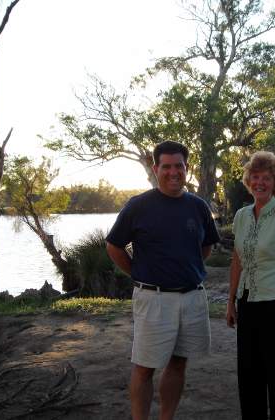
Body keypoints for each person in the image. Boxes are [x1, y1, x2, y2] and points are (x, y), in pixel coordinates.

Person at [106, 140, 221, 420]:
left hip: (192, 297)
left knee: (179, 363)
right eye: (166, 167)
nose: (173, 172)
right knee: (145, 367)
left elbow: (205, 247)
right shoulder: (138, 206)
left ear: (187, 168)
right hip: (153, 300)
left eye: (178, 166)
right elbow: (114, 246)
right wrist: (138, 273)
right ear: (156, 168)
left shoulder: (198, 206)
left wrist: (186, 268)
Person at [226, 151, 275, 420]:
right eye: (255, 177)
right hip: (247, 305)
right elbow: (237, 261)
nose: (260, 182)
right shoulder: (241, 216)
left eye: (266, 178)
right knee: (249, 376)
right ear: (248, 181)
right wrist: (231, 302)